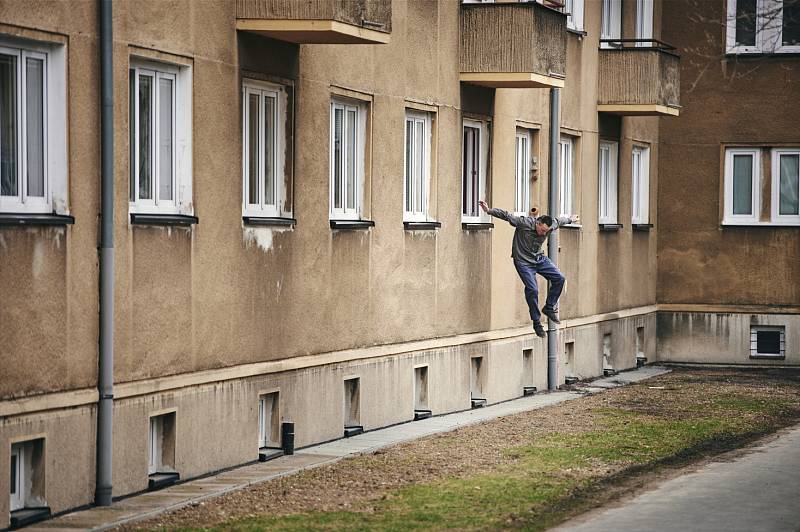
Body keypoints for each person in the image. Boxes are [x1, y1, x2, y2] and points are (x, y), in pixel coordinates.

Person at [478, 200, 579, 338]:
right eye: (542, 230)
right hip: (523, 262)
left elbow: (559, 221)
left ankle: (549, 307)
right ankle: (536, 322)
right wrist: (489, 210)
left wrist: (570, 219)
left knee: (560, 278)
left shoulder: (550, 226)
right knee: (533, 289)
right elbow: (507, 215)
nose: (543, 234)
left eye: (546, 231)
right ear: (537, 223)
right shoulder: (524, 223)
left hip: (539, 259)